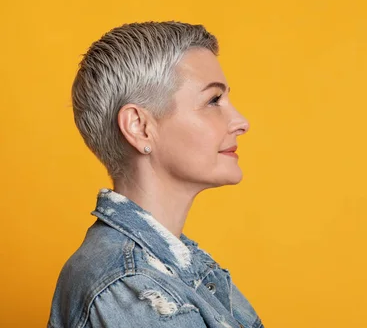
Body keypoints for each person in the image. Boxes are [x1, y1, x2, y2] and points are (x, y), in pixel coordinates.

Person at [48, 21, 262, 328]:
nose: (241, 121)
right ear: (139, 127)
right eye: (213, 101)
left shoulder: (176, 267)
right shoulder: (129, 286)